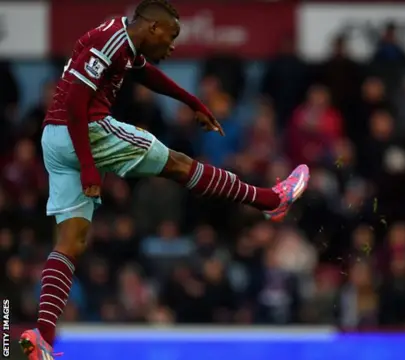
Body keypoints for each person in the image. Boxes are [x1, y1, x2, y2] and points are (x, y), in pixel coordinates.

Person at [19, 1, 310, 359]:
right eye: (171, 37)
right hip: (85, 131)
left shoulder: (121, 40)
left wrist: (192, 102)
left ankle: (42, 338)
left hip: (54, 139)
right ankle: (270, 200)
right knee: (177, 163)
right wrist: (90, 166)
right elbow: (78, 104)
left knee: (70, 242)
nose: (172, 47)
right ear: (152, 28)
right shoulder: (112, 40)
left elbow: (146, 73)